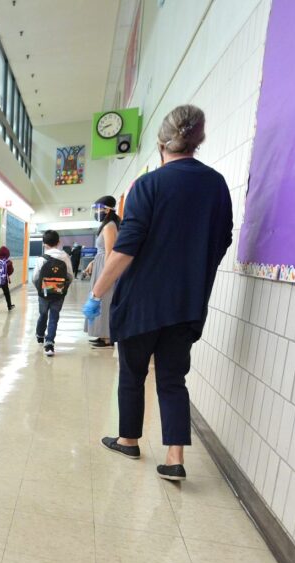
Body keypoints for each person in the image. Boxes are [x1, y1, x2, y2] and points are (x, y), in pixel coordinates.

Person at [83, 105, 233, 481]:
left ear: (160, 143)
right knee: (172, 378)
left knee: (132, 374)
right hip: (187, 303)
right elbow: (223, 239)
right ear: (198, 141)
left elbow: (126, 248)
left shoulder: (148, 185)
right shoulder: (216, 185)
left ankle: (129, 440)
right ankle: (174, 457)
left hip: (142, 303)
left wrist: (97, 293)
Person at [83, 196, 120, 348]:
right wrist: (93, 262)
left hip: (105, 267)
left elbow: (110, 252)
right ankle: (103, 334)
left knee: (105, 300)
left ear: (108, 209)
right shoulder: (108, 225)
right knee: (102, 300)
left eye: (99, 209)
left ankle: (108, 337)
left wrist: (107, 275)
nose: (97, 212)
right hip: (100, 265)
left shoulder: (109, 226)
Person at [33, 230, 74, 357]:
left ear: (44, 244)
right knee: (54, 316)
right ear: (58, 242)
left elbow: (35, 278)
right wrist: (63, 288)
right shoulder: (65, 256)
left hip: (44, 293)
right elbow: (70, 276)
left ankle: (40, 335)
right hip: (59, 293)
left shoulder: (41, 259)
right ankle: (49, 343)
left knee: (43, 314)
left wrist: (40, 289)